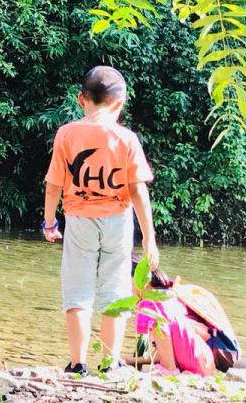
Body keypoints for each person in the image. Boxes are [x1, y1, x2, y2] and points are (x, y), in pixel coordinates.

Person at [42, 65, 159, 376]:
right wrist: (149, 238)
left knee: (77, 289)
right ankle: (110, 363)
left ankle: (77, 363)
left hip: (78, 218)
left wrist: (49, 222)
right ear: (119, 104)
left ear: (82, 100)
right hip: (117, 221)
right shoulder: (127, 138)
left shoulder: (66, 133)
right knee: (116, 289)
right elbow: (138, 193)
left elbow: (54, 183)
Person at [132, 265, 240, 375]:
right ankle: (169, 368)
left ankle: (168, 370)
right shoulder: (171, 297)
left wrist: (168, 368)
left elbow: (165, 347)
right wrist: (130, 361)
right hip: (205, 363)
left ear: (144, 281)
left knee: (153, 311)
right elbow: (163, 352)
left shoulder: (153, 303)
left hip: (196, 362)